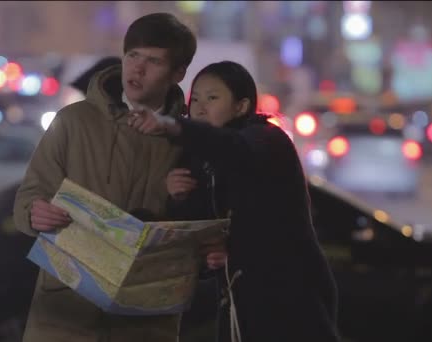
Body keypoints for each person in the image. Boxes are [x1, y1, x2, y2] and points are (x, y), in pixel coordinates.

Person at [13, 12, 197, 342]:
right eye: (132, 56)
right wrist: (33, 212)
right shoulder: (73, 121)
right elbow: (30, 195)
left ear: (178, 73)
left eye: (153, 61)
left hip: (143, 317)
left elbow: (201, 225)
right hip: (65, 310)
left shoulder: (189, 139)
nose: (137, 69)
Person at [128, 61, 341, 342]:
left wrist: (174, 126)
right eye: (196, 100)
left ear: (241, 106)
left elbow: (233, 150)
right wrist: (178, 196)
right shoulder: (199, 158)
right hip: (240, 303)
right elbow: (197, 227)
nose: (200, 108)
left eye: (212, 98)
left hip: (290, 297)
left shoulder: (266, 139)